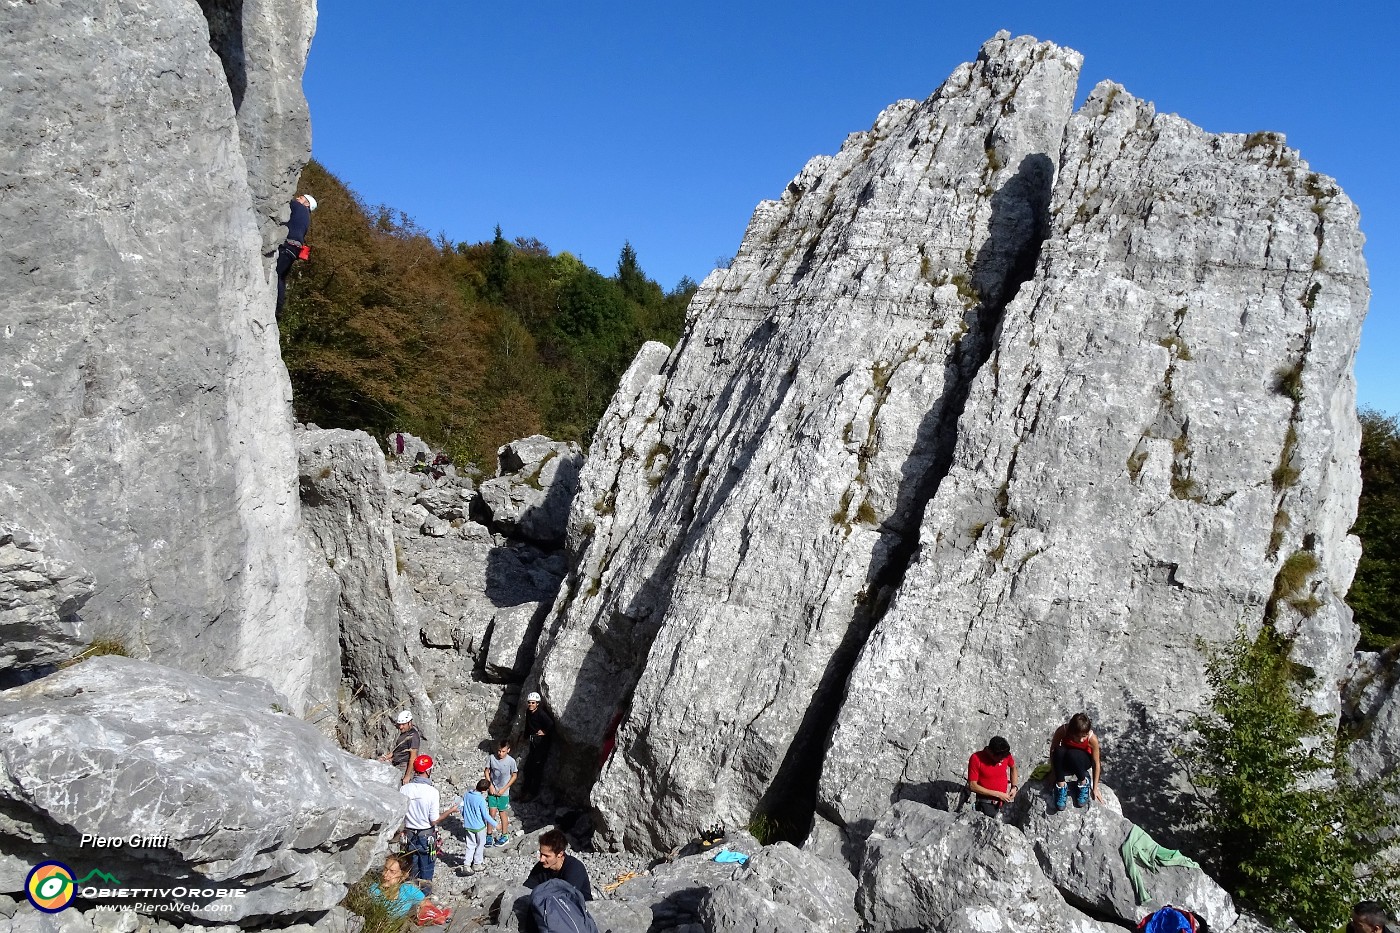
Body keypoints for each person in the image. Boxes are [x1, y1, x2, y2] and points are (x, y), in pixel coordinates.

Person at [399, 755, 458, 895]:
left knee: (413, 868)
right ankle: (424, 901)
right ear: (428, 771)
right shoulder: (432, 792)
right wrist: (451, 810)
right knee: (426, 870)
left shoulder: (404, 789)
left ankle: (410, 899)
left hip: (409, 835)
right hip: (426, 836)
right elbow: (434, 820)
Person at [1049, 712, 1105, 811]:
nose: (1082, 740)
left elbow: (1096, 762)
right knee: (1058, 750)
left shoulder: (1092, 739)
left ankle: (1083, 783)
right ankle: (1061, 786)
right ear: (1072, 732)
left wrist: (1095, 788)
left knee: (1073, 754)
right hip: (1067, 760)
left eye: (1085, 736)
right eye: (1079, 736)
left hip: (1082, 761)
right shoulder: (1063, 731)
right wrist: (1054, 772)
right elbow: (1053, 750)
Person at [275, 193, 315, 316]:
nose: (298, 198)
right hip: (295, 249)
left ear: (307, 203)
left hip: (288, 245)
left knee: (276, 274)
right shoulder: (307, 217)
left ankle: (277, 308)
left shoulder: (298, 207)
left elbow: (283, 202)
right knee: (281, 277)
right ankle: (279, 309)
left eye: (301, 198)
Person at [524, 829, 592, 901]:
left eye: (546, 856)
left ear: (560, 854)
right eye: (541, 854)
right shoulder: (540, 867)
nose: (541, 859)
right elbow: (526, 889)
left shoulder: (575, 868)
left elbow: (567, 898)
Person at [967, 736, 1019, 818]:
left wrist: (1014, 787)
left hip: (1003, 803)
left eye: (1003, 758)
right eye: (999, 758)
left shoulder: (1005, 755)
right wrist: (998, 794)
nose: (1002, 761)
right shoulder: (976, 758)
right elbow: (972, 786)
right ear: (990, 752)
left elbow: (1013, 767)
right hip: (985, 804)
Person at [519, 691, 554, 801]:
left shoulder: (541, 714)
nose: (530, 704)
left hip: (542, 744)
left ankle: (532, 793)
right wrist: (524, 736)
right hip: (534, 742)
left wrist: (544, 732)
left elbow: (551, 724)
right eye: (529, 702)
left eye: (533, 703)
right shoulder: (529, 712)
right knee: (527, 768)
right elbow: (528, 725)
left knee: (537, 769)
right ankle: (524, 791)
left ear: (537, 703)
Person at [369, 853, 427, 919]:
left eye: (392, 871)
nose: (385, 874)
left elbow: (428, 907)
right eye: (385, 869)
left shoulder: (408, 890)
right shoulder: (373, 890)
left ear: (404, 875)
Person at [459, 778, 498, 873]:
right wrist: (495, 824)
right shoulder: (481, 799)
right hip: (479, 826)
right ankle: (477, 863)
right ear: (484, 790)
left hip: (468, 825)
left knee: (470, 845)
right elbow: (485, 815)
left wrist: (465, 817)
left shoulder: (467, 794)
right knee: (480, 844)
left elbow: (461, 807)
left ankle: (467, 864)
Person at [484, 739, 518, 846]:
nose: (500, 753)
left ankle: (504, 835)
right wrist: (490, 785)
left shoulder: (511, 761)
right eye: (499, 751)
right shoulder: (492, 758)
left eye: (503, 751)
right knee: (492, 813)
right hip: (492, 791)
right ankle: (489, 835)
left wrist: (504, 788)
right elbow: (486, 771)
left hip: (503, 792)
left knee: (503, 813)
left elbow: (514, 775)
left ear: (508, 750)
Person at [379, 710, 422, 786]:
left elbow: (413, 757)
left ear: (410, 723)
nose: (400, 727)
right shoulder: (404, 733)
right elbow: (398, 749)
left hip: (403, 767)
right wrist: (386, 757)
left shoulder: (413, 736)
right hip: (396, 764)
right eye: (399, 724)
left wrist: (407, 775)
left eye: (403, 724)